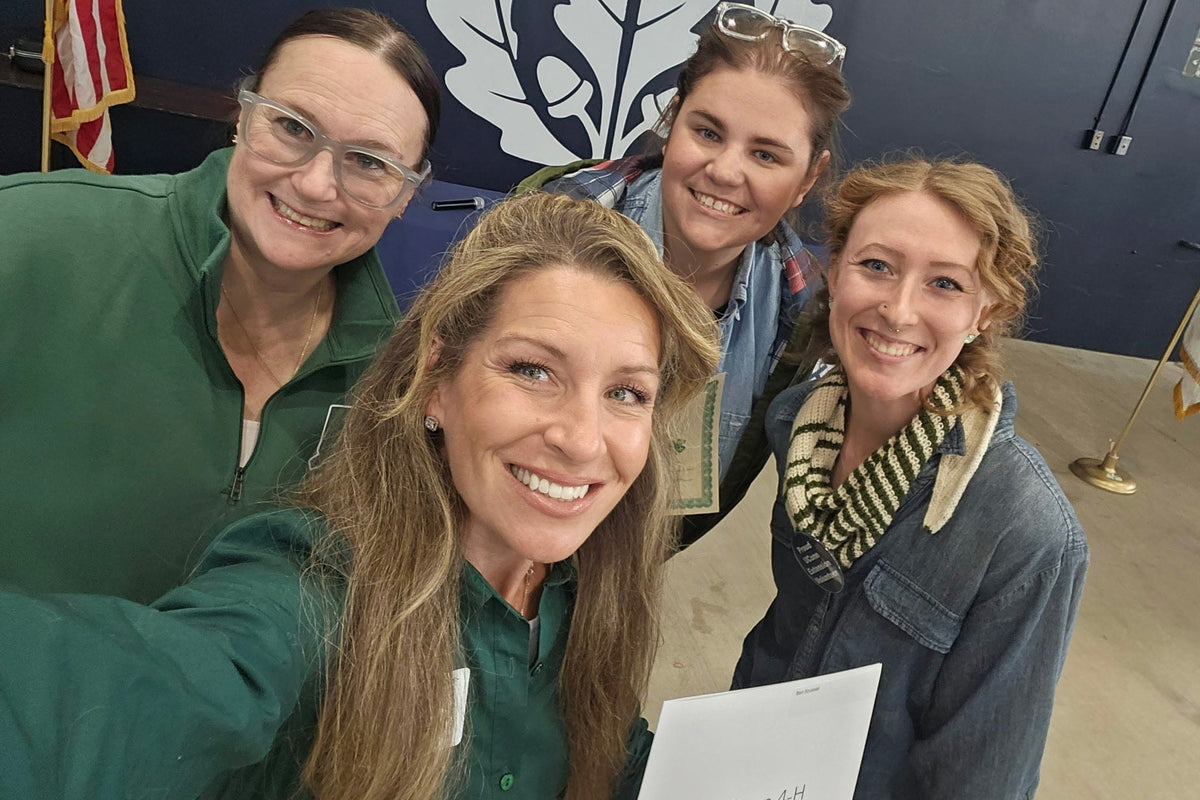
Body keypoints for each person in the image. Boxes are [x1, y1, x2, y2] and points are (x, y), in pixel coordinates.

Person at [0, 192, 721, 800]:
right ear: (438, 377)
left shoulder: (585, 591)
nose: (584, 439)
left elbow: (614, 755)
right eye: (533, 370)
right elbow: (155, 688)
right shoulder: (317, 586)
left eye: (626, 393)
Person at [0, 8, 439, 603]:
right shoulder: (31, 237)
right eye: (292, 126)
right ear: (242, 116)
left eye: (370, 162)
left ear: (407, 195)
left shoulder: (398, 383)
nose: (315, 183)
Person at [732, 157, 1089, 799]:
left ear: (987, 310)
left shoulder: (1025, 532)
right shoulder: (798, 424)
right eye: (877, 266)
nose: (897, 311)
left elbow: (983, 778)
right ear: (835, 271)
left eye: (945, 284)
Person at [521, 2, 851, 544]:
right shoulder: (548, 227)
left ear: (808, 178)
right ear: (673, 121)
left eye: (766, 156)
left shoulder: (801, 308)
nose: (724, 172)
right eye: (708, 133)